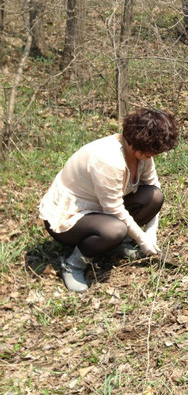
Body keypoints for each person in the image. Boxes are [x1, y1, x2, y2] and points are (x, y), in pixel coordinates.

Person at [39, 108, 179, 292]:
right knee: (115, 229)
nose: (154, 156)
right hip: (70, 217)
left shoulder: (142, 154)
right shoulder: (108, 160)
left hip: (101, 210)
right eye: (151, 152)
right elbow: (115, 210)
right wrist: (142, 240)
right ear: (136, 142)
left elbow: (154, 187)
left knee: (154, 196)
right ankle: (74, 264)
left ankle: (116, 246)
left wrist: (151, 232)